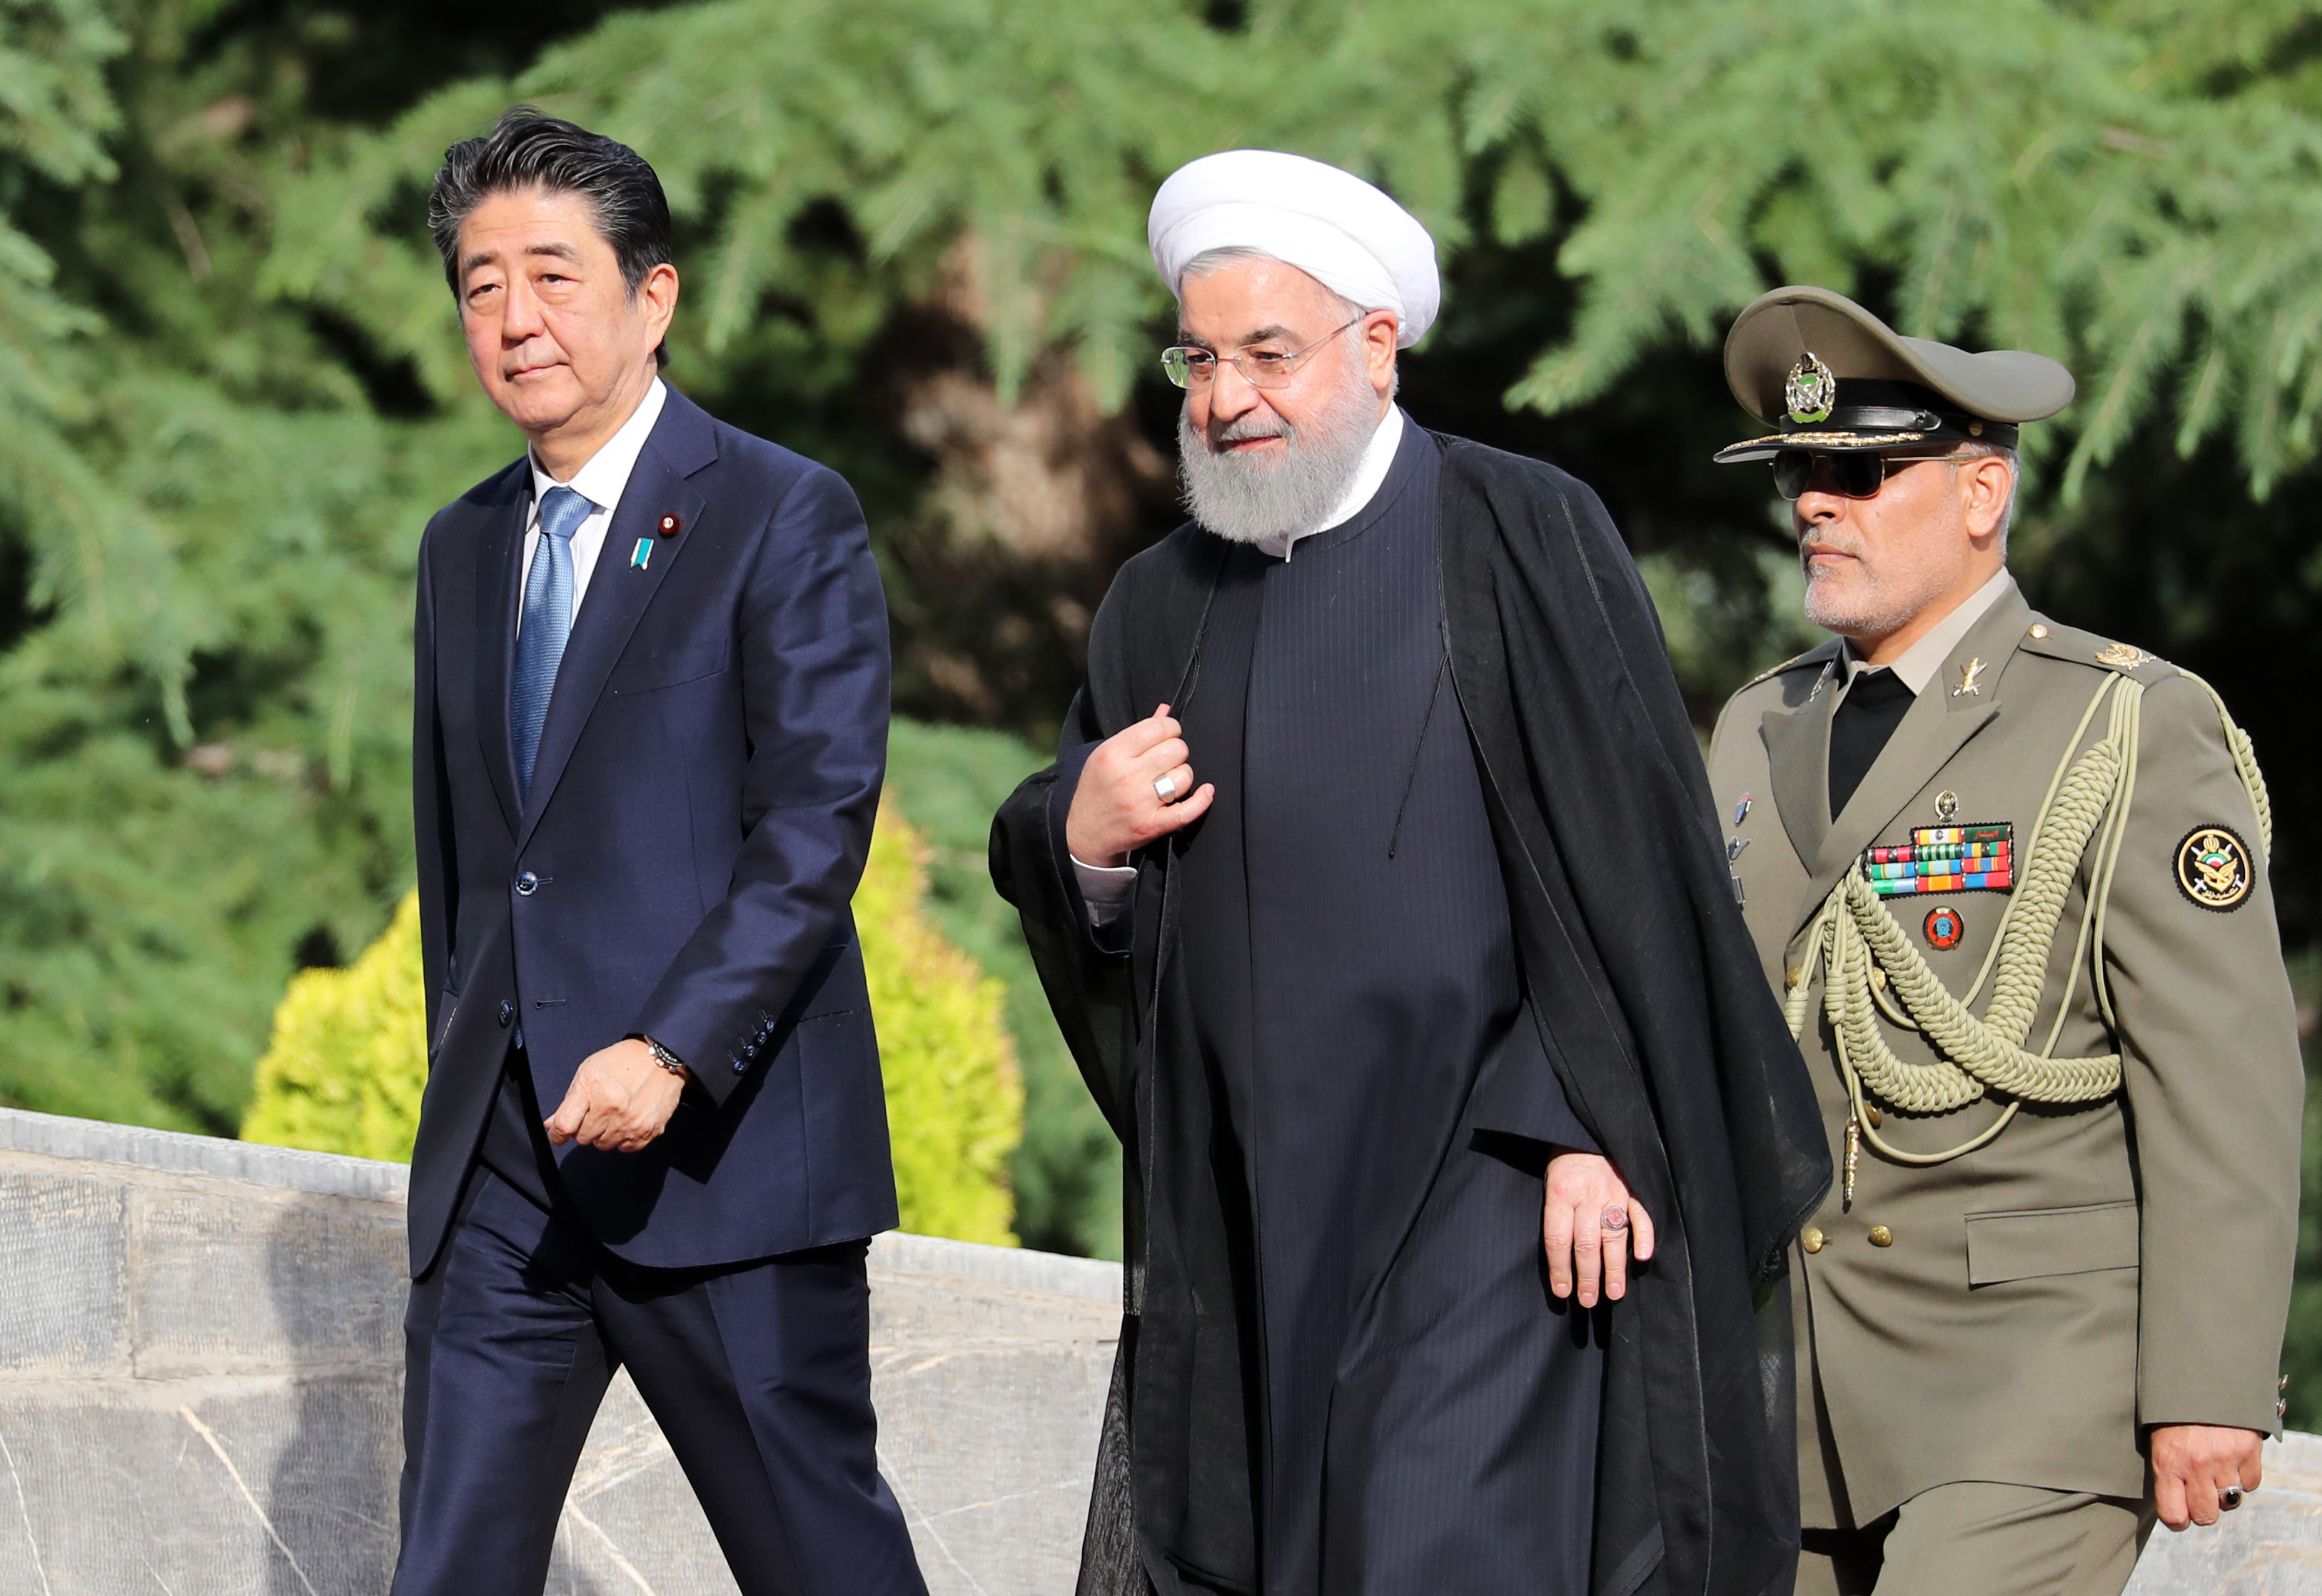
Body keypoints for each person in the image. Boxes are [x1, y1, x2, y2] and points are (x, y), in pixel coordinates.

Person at [989, 149, 1830, 1596]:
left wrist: (1589, 1124)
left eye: (1269, 352)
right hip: (1248, 1217)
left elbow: (1631, 870)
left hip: (1489, 1196)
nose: (1224, 397)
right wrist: (1080, 833)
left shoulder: (1514, 530)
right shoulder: (1157, 600)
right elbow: (1086, 892)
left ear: (1377, 346)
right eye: (1200, 356)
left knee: (1431, 1545)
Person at [1704, 285, 2303, 1596]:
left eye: (1860, 473)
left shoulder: (2124, 723)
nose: (1815, 503)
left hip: (2030, 1381)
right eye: (1803, 471)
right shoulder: (1757, 726)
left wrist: (2205, 1385)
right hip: (1787, 1384)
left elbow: (2222, 1077)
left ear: (1980, 497)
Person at [398, 109, 925, 1596]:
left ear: (654, 296)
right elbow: (473, 860)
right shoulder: (463, 546)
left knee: (821, 1558)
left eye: (553, 275)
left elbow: (815, 826)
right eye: (481, 283)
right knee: (443, 1569)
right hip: (510, 1162)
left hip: (723, 1156)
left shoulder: (780, 512)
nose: (513, 317)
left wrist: (675, 1049)